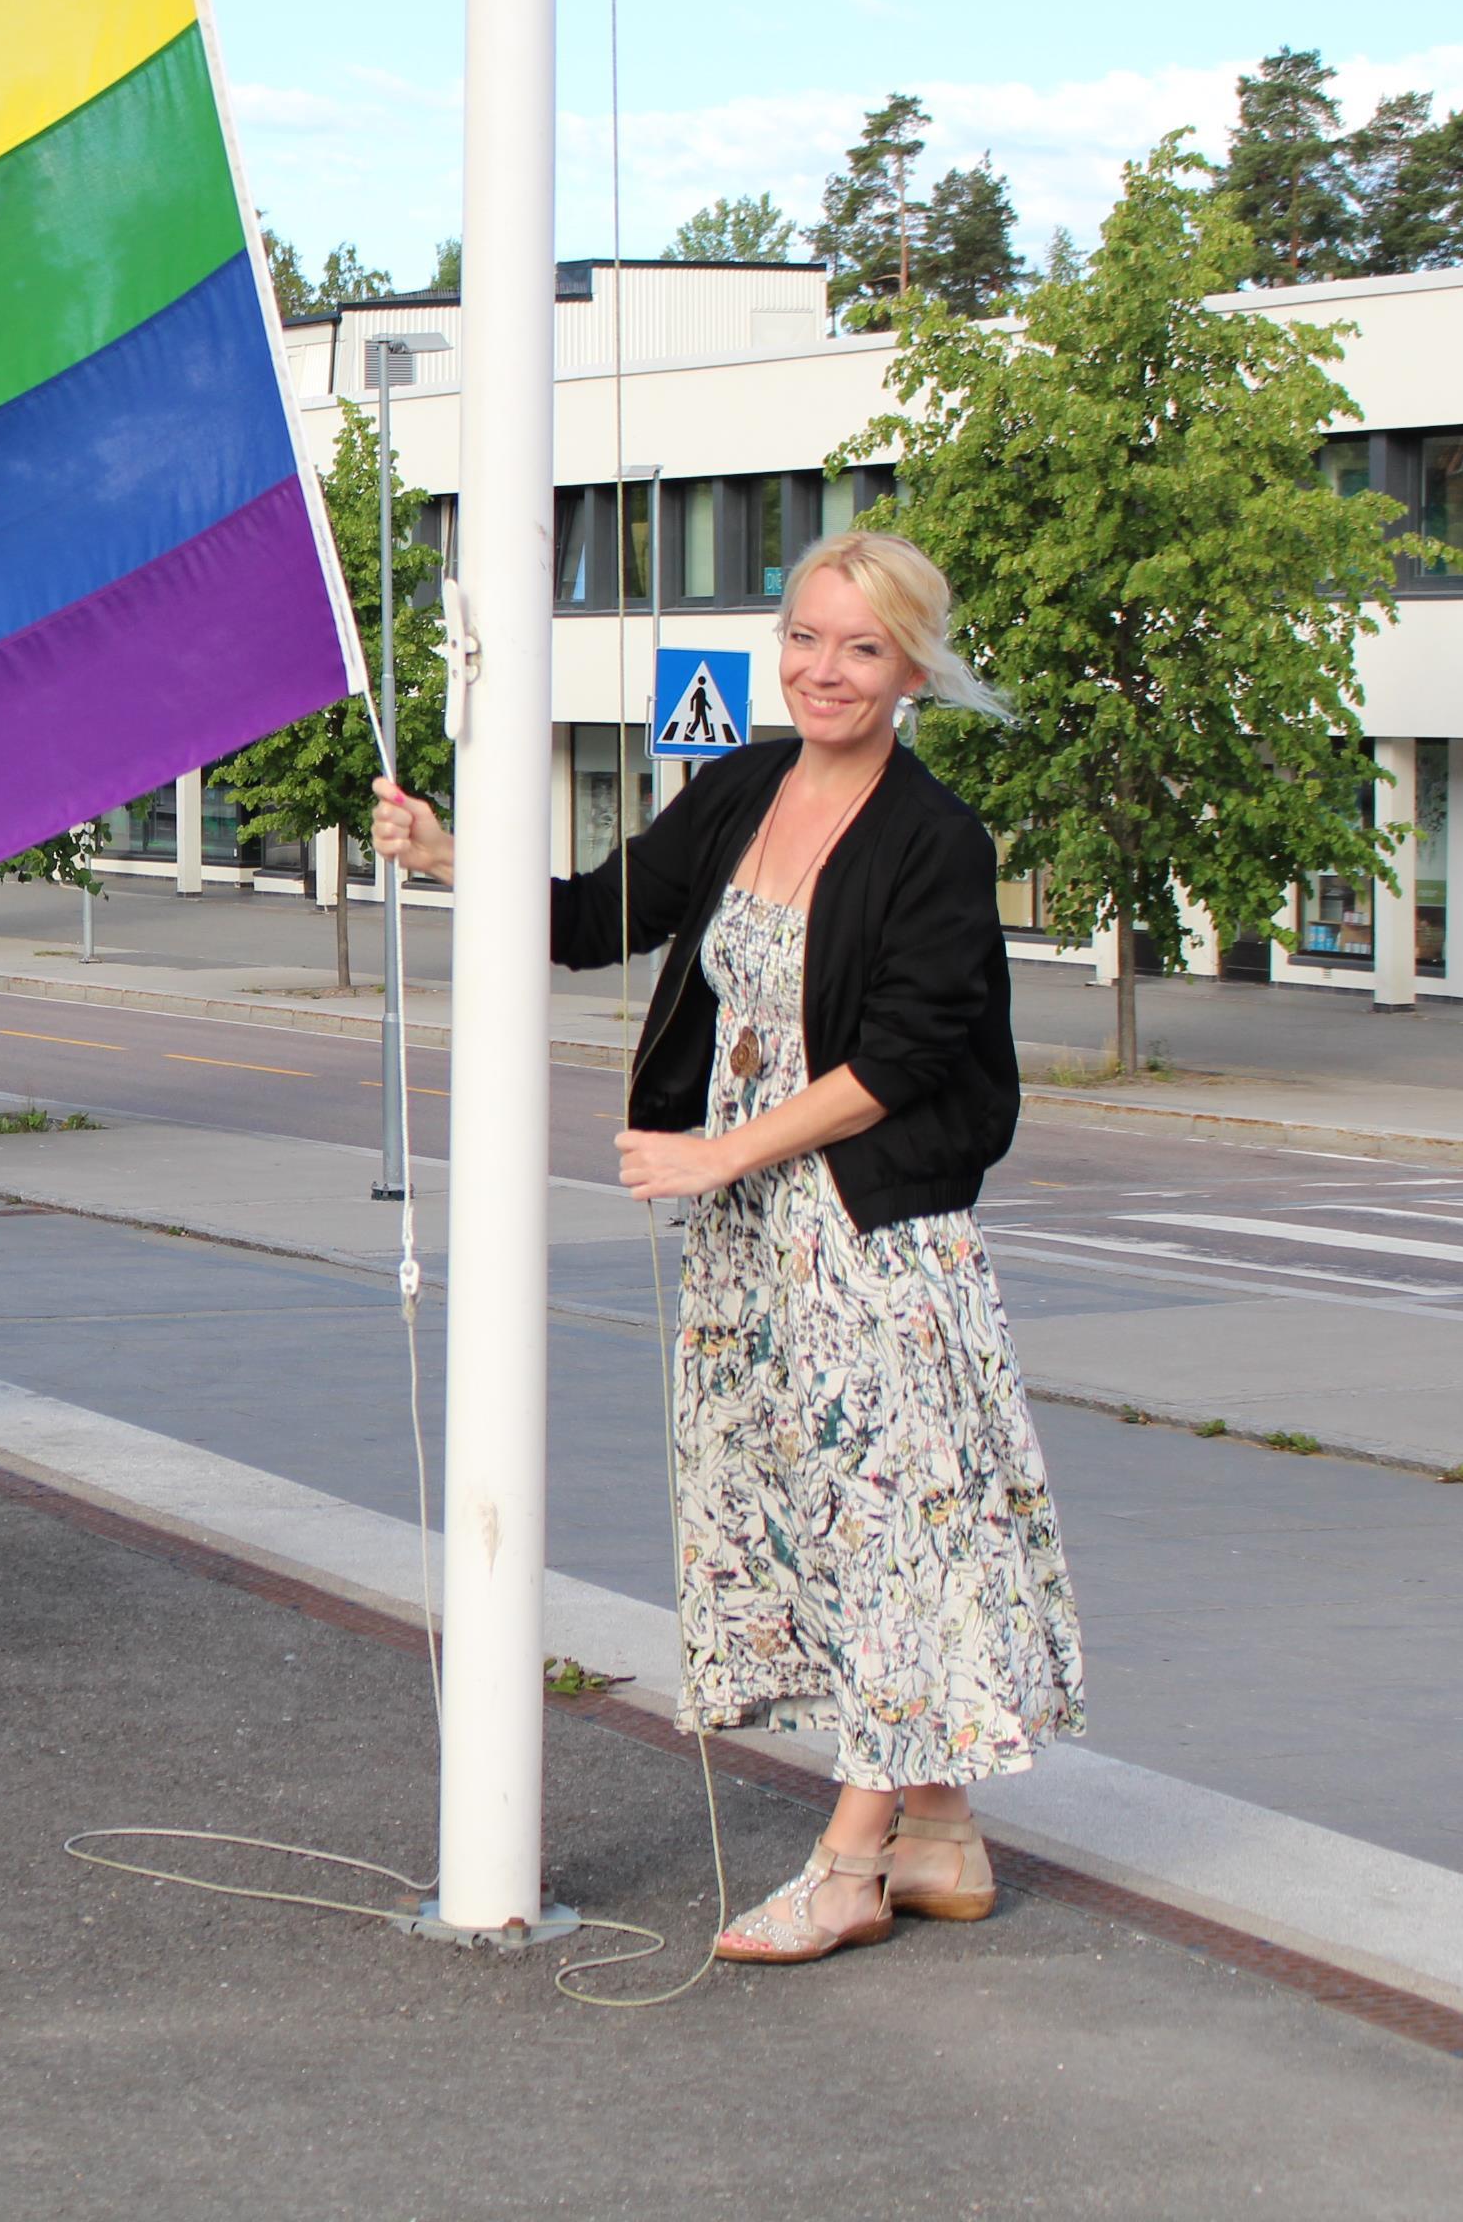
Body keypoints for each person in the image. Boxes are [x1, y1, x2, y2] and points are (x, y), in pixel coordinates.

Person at [371, 529, 1083, 1966]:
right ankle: (939, 1830)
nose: (825, 670)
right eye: (807, 637)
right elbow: (594, 920)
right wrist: (453, 856)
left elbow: (902, 1058)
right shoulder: (746, 784)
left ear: (912, 670)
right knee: (812, 1530)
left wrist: (717, 1151)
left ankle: (848, 1862)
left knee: (890, 1541)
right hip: (755, 1252)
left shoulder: (936, 839)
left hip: (871, 1241)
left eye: (861, 649)